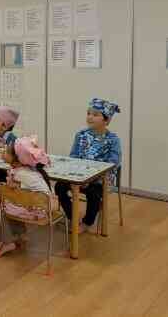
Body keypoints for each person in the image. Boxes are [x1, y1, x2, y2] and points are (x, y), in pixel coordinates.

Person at [55, 98, 122, 234]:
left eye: (95, 114)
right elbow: (73, 157)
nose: (90, 117)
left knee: (94, 195)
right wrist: (77, 175)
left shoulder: (113, 140)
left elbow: (113, 163)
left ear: (106, 120)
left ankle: (87, 222)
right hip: (78, 176)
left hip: (100, 179)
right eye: (88, 113)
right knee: (59, 186)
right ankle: (73, 216)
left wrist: (90, 179)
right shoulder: (81, 135)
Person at [0, 136, 54, 257]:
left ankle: (7, 242)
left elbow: (13, 191)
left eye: (6, 151)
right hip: (42, 206)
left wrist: (8, 185)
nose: (3, 152)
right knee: (11, 204)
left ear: (17, 161)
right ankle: (20, 235)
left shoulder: (20, 174)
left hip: (37, 209)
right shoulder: (28, 170)